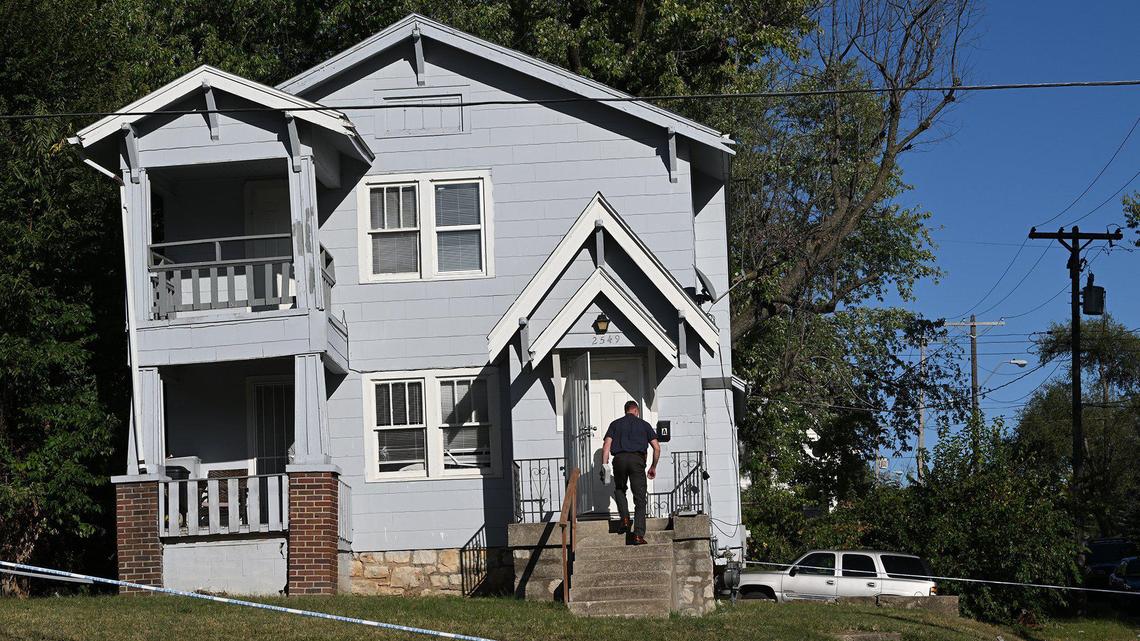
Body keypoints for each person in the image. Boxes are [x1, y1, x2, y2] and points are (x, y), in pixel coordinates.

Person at [601, 400, 661, 545]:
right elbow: (657, 448)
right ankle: (638, 535)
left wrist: (604, 465)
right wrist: (653, 466)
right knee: (640, 498)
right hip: (637, 460)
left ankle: (625, 519)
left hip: (619, 460)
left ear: (626, 410)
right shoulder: (644, 425)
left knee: (620, 489)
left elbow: (606, 446)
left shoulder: (615, 424)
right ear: (636, 411)